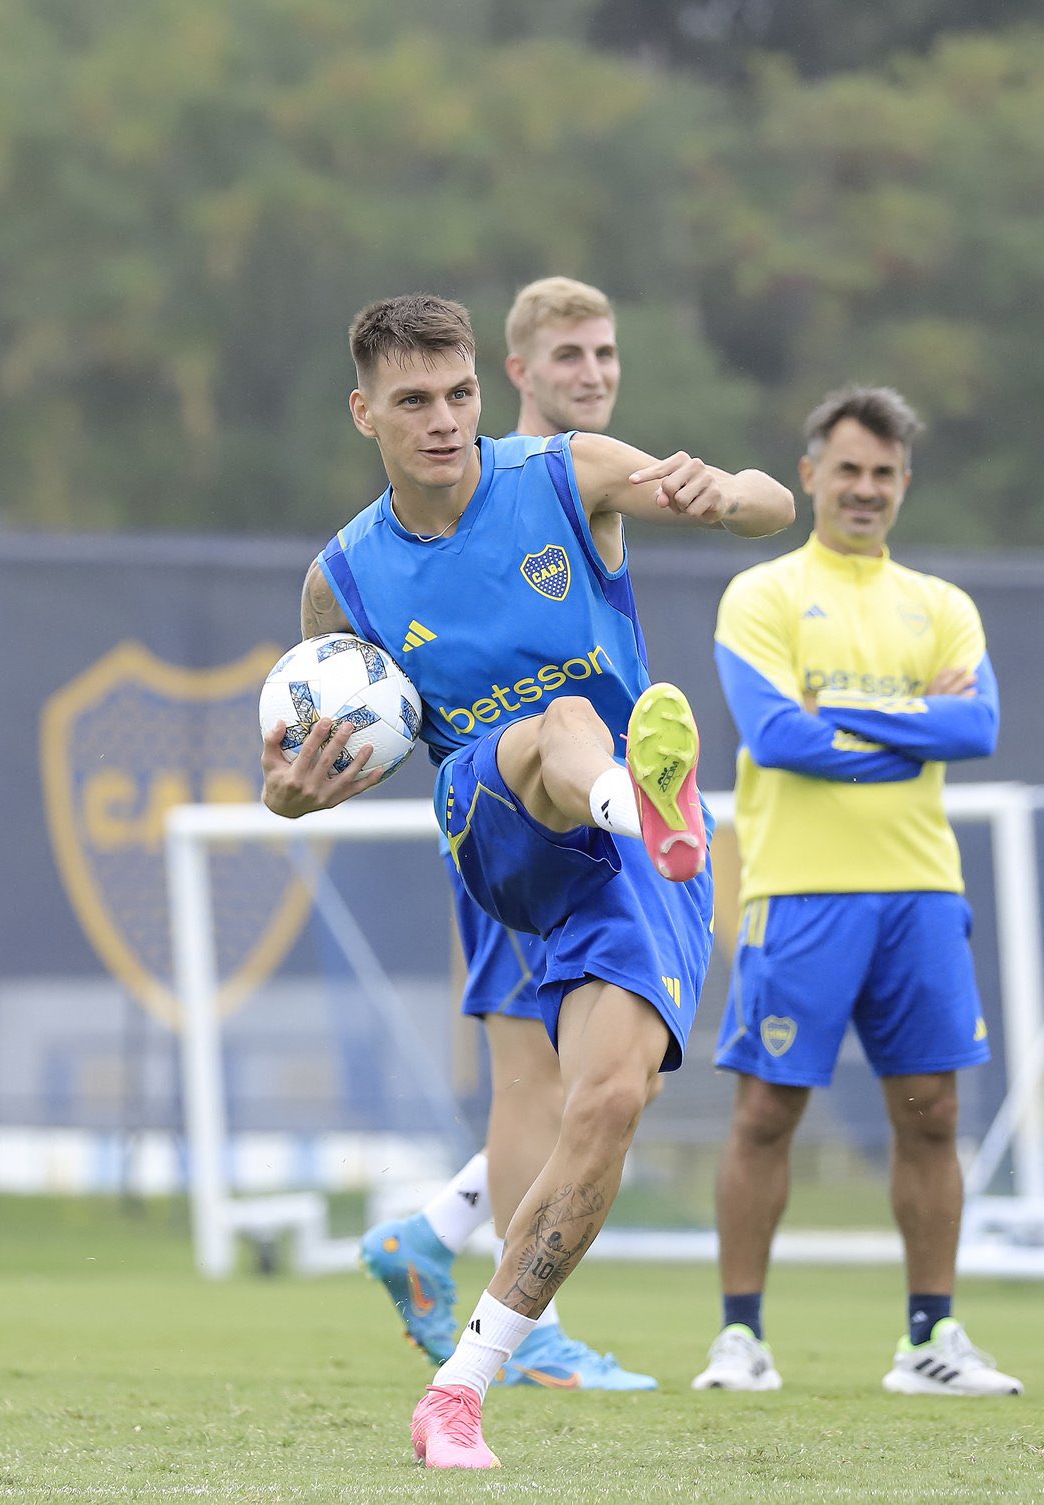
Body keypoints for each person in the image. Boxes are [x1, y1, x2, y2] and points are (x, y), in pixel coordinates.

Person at [262, 293, 792, 1468]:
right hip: (494, 820)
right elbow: (303, 757)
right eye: (413, 401)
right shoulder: (341, 580)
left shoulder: (564, 473)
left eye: (458, 394)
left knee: (608, 1103)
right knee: (560, 721)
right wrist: (289, 796)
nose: (444, 420)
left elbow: (774, 505)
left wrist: (725, 490)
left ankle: (461, 1387)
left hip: (631, 860)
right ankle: (645, 803)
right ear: (364, 413)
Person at [691, 385, 1023, 1397]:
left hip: (920, 891)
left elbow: (977, 729)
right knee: (765, 1112)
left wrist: (833, 705)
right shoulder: (762, 595)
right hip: (800, 892)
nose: (865, 488)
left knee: (931, 1113)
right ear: (810, 475)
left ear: (904, 483)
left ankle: (930, 1338)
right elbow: (775, 737)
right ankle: (740, 1338)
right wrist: (911, 724)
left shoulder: (942, 605)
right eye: (848, 469)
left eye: (884, 472)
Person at [358, 277, 653, 1391]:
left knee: (618, 1080)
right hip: (515, 827)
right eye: (570, 356)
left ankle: (432, 1231)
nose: (594, 374)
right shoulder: (505, 482)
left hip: (603, 812)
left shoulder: (585, 478)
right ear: (520, 374)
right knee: (534, 1073)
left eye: (606, 354)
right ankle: (536, 1328)